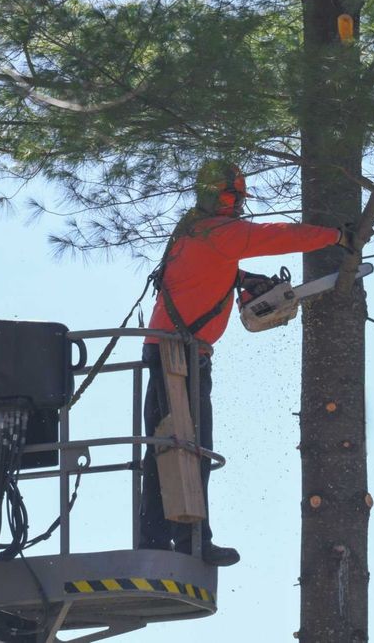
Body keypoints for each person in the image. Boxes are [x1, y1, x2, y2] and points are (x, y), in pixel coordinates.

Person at [139, 159, 352, 567]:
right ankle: (187, 542)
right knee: (186, 447)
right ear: (211, 194)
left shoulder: (195, 229)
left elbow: (202, 271)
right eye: (227, 194)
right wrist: (336, 235)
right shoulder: (222, 232)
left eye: (236, 195)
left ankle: (160, 538)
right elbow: (278, 236)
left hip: (177, 350)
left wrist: (242, 279)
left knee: (170, 446)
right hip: (176, 353)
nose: (234, 202)